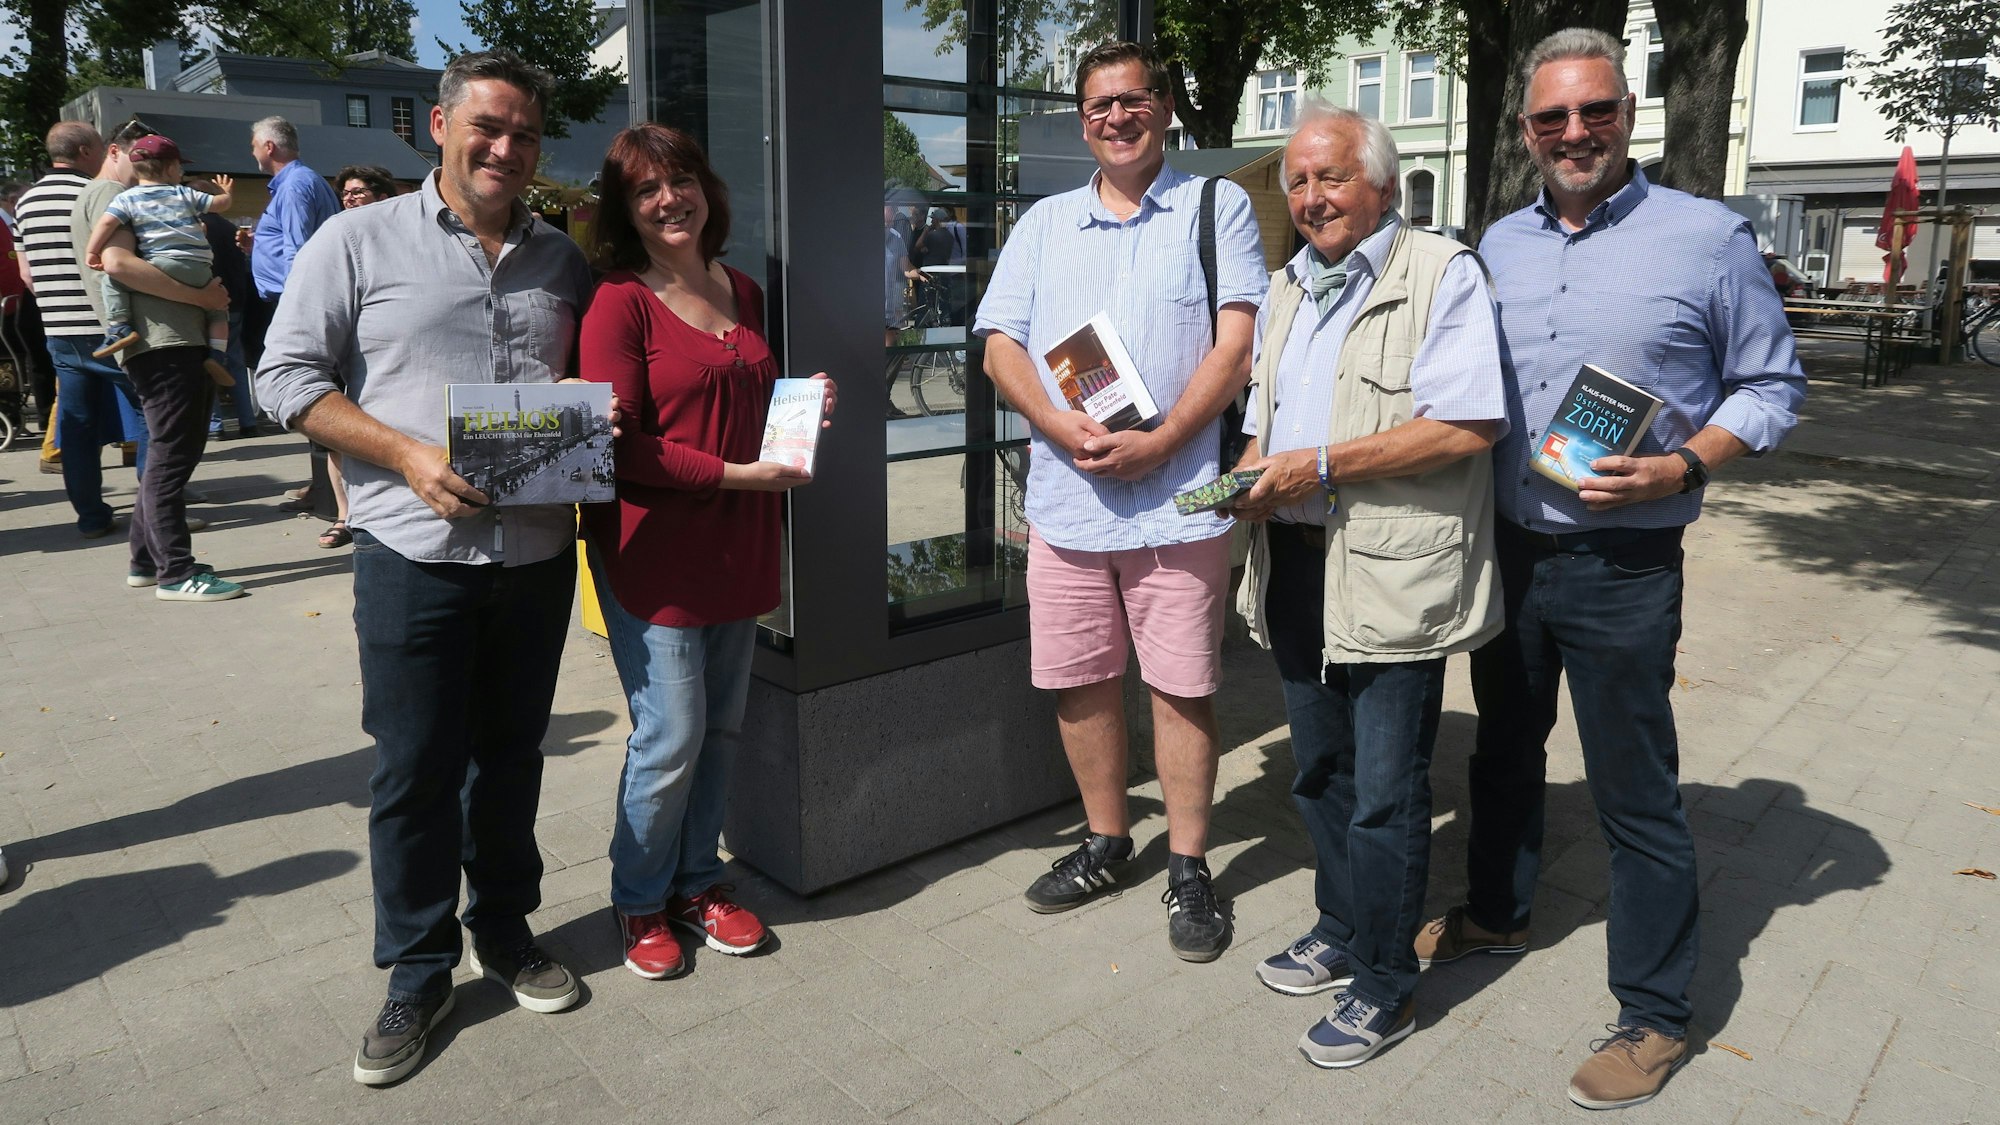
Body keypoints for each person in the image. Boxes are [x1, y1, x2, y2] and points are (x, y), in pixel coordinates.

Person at [1417, 28, 1805, 1111]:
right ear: (1526, 130)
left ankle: (1654, 1010)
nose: (1573, 132)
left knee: (1634, 789)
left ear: (1627, 114)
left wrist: (1684, 463)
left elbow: (1772, 386)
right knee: (1502, 752)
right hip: (1508, 547)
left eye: (1594, 111)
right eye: (1552, 117)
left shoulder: (1706, 237)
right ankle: (1498, 913)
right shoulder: (1497, 242)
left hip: (1623, 563)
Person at [255, 49, 597, 1087]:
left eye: (524, 133)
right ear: (439, 126)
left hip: (535, 550)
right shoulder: (356, 239)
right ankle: (417, 967)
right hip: (413, 550)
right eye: (487, 126)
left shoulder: (563, 259)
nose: (505, 148)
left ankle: (506, 929)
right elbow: (283, 378)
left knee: (512, 756)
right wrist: (405, 453)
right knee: (413, 770)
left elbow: (590, 382)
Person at [1225, 105, 1507, 1069]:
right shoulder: (1285, 286)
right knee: (1319, 773)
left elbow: (1468, 423)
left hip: (1390, 570)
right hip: (1296, 562)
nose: (1312, 197)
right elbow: (1266, 424)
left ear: (1382, 184)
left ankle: (1387, 982)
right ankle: (1342, 927)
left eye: (1332, 176)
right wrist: (1244, 481)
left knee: (1386, 794)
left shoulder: (1442, 272)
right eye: (1299, 181)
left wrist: (1319, 466)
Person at [972, 40, 1265, 963]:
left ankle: (1189, 863)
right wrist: (1054, 422)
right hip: (1068, 501)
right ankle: (1107, 840)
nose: (1117, 117)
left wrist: (1165, 439)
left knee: (1181, 685)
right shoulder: (1044, 224)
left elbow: (1237, 346)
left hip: (1179, 500)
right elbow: (999, 344)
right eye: (1099, 105)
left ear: (1165, 108)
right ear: (1082, 120)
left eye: (1133, 99)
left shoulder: (1218, 208)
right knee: (1081, 677)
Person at [581, 122, 835, 980]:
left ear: (706, 188)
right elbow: (619, 448)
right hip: (655, 550)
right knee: (670, 735)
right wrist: (740, 473)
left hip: (740, 540)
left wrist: (803, 407)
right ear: (624, 209)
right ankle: (638, 897)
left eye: (680, 179)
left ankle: (696, 882)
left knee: (720, 729)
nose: (669, 199)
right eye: (646, 189)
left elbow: (744, 402)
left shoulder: (740, 287)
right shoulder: (619, 301)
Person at [71, 119, 235, 594]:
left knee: (171, 452)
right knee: (169, 458)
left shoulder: (114, 198)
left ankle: (146, 562)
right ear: (117, 151)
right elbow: (117, 264)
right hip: (164, 342)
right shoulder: (115, 197)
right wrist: (202, 298)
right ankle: (176, 572)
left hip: (167, 341)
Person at [15, 121, 186, 532]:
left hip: (59, 330)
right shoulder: (99, 194)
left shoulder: (26, 200)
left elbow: (26, 274)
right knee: (151, 414)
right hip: (107, 326)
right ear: (88, 151)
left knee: (77, 425)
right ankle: (156, 514)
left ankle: (91, 517)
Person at [81, 135, 234, 387]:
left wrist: (92, 250)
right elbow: (220, 204)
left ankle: (119, 326)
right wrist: (226, 194)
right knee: (218, 310)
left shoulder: (127, 198)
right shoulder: (184, 193)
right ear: (171, 168)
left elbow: (107, 223)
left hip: (161, 263)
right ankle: (218, 354)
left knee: (113, 281)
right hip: (198, 267)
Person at [307, 164, 400, 549]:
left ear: (383, 197)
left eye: (358, 192)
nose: (349, 198)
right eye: (345, 193)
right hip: (341, 350)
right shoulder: (334, 237)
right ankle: (345, 515)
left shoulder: (400, 238)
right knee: (336, 437)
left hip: (384, 358)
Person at [187, 177, 258, 442]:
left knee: (208, 364)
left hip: (208, 304)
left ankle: (215, 424)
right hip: (236, 303)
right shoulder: (231, 228)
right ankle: (248, 421)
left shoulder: (195, 228)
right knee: (235, 362)